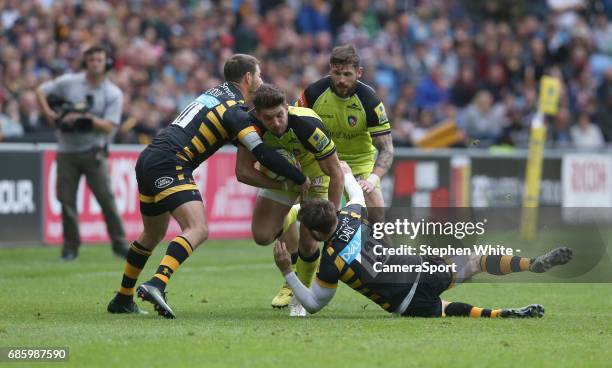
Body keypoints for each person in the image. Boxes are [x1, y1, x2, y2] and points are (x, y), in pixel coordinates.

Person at [107, 55, 310, 318]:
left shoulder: (214, 93)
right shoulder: (234, 110)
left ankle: (123, 298)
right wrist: (298, 177)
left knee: (151, 235)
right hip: (172, 162)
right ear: (248, 78)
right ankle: (157, 283)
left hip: (149, 158)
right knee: (198, 229)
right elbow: (261, 153)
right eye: (258, 75)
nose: (261, 81)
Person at [273, 161, 574, 318]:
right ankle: (532, 264)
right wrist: (346, 171)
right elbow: (354, 190)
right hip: (420, 271)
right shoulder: (353, 217)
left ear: (314, 233)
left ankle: (498, 314)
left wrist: (287, 269)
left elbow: (313, 304)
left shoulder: (330, 262)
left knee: (447, 309)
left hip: (404, 302)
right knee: (478, 259)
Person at [269, 44, 394, 308]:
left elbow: (386, 149)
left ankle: (393, 278)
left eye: (347, 74)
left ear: (358, 73)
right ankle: (295, 284)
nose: (341, 80)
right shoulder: (313, 93)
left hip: (359, 166)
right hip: (322, 163)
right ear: (330, 70)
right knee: (311, 226)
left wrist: (373, 178)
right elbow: (295, 127)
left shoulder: (370, 100)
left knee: (378, 215)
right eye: (337, 73)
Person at [234, 83, 344, 315]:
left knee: (309, 241)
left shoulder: (307, 125)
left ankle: (299, 297)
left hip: (316, 177)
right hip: (283, 178)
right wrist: (284, 184)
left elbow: (335, 172)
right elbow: (243, 172)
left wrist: (333, 214)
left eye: (279, 115)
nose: (275, 123)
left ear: (287, 107)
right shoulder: (249, 128)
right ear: (258, 115)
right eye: (268, 118)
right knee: (262, 236)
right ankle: (294, 212)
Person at [35, 44, 128, 260]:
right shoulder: (69, 82)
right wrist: (50, 114)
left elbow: (109, 126)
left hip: (94, 151)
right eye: (91, 59)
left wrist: (86, 119)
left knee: (106, 198)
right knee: (66, 201)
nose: (95, 63)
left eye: (99, 59)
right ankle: (70, 247)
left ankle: (120, 244)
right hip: (66, 150)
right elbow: (40, 91)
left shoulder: (112, 93)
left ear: (106, 63)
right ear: (85, 62)